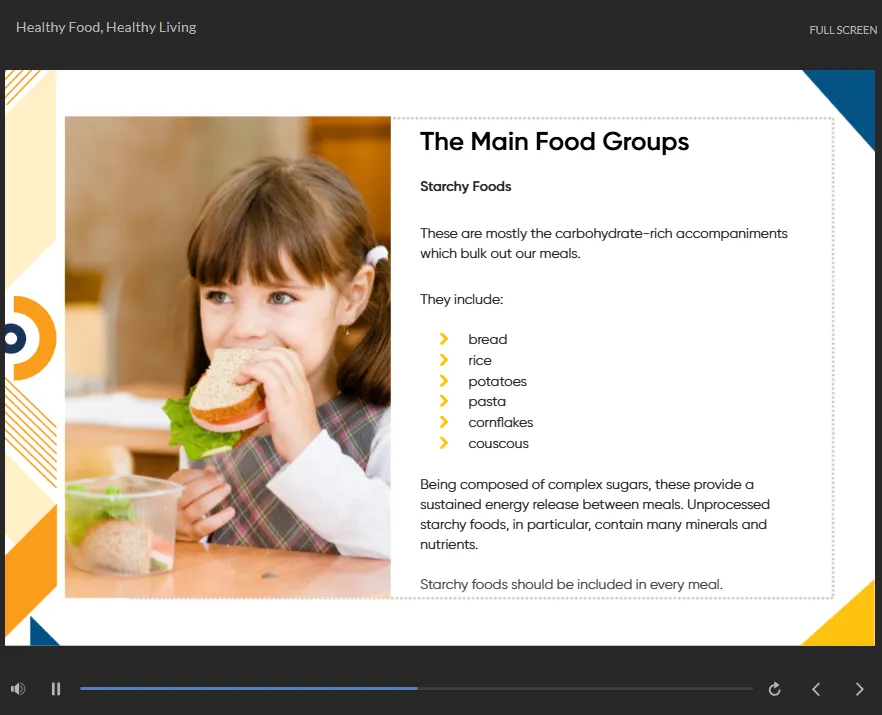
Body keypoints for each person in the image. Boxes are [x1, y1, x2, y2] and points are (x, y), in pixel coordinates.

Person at [169, 156, 390, 560]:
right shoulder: (211, 422)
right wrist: (184, 528)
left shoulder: (384, 424)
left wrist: (307, 447)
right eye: (219, 296)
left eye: (281, 297)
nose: (245, 327)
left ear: (353, 296)